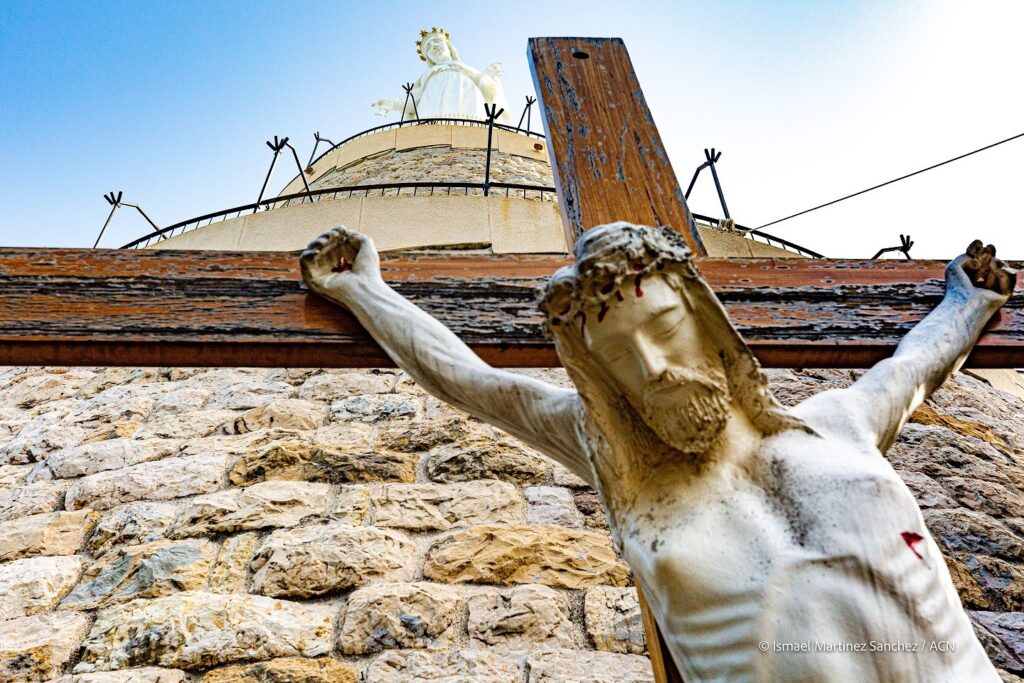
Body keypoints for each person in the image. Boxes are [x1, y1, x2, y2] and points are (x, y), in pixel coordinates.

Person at [300, 222, 1013, 681]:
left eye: (665, 328)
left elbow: (911, 368)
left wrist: (967, 304)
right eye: (619, 356)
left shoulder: (839, 421)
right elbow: (471, 381)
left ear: (704, 318)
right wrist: (366, 292)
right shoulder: (625, 473)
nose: (652, 368)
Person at [371, 27, 510, 123]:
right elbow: (413, 101)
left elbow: (487, 90)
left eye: (437, 41)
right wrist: (392, 103)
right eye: (429, 48)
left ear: (448, 46)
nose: (435, 47)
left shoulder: (466, 69)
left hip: (471, 112)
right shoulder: (427, 76)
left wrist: (489, 74)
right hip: (433, 117)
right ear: (429, 58)